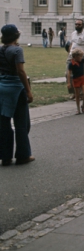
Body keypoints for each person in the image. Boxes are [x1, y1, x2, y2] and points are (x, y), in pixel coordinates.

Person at [0, 24, 35, 166]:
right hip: (16, 88)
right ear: (16, 35)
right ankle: (23, 155)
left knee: (3, 123)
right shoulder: (17, 50)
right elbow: (20, 71)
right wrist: (28, 90)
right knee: (22, 123)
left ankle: (5, 156)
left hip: (2, 87)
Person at [66, 20, 84, 100]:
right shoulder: (73, 33)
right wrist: (69, 53)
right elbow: (71, 44)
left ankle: (80, 94)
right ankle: (74, 93)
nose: (77, 26)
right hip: (71, 57)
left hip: (81, 58)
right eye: (76, 24)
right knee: (68, 74)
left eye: (79, 24)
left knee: (79, 75)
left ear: (82, 25)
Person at [68, 48, 84, 115]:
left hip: (82, 78)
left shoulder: (82, 61)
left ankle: (83, 105)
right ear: (75, 57)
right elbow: (69, 73)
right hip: (75, 79)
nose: (81, 57)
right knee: (77, 95)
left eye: (81, 56)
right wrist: (68, 82)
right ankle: (78, 109)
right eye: (79, 56)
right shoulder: (71, 64)